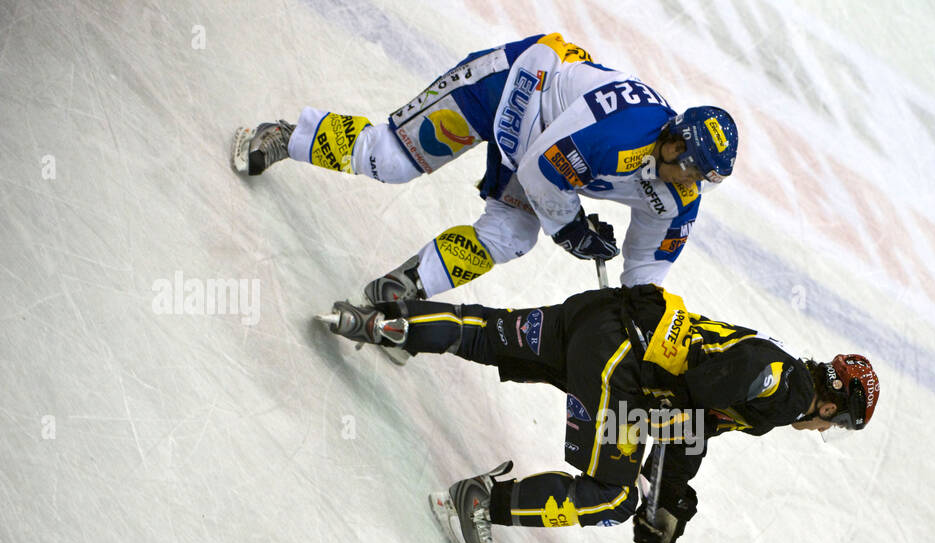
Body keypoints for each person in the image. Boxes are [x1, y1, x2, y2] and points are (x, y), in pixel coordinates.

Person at [316, 284, 880, 543]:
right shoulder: (790, 394)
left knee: (491, 334)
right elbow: (704, 400)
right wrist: (656, 486)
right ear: (832, 409)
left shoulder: (781, 370)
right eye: (835, 426)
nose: (819, 431)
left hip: (604, 315)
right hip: (621, 365)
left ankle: (387, 324)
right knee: (612, 497)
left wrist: (672, 499)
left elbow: (696, 427)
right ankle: (480, 502)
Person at [231, 33, 737, 327]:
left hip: (546, 143)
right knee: (392, 158)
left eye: (700, 178)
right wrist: (572, 230)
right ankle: (286, 134)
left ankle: (403, 287)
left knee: (512, 235)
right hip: (514, 85)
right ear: (671, 140)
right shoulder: (619, 135)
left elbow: (646, 273)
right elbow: (542, 170)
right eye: (687, 164)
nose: (688, 180)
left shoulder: (679, 197)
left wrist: (645, 321)